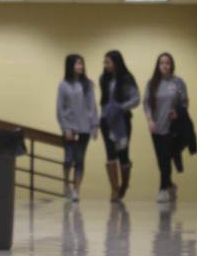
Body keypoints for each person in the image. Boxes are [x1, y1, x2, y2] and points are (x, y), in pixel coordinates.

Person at [143, 53, 189, 202]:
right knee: (161, 160)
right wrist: (150, 121)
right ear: (158, 65)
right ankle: (170, 185)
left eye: (167, 63)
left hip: (172, 127)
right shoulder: (152, 83)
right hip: (156, 126)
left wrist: (178, 113)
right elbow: (146, 103)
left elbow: (184, 102)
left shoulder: (178, 83)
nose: (164, 65)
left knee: (165, 157)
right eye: (162, 63)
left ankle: (162, 189)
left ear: (171, 65)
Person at [56, 55, 99, 201]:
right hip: (69, 127)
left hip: (85, 127)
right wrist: (65, 129)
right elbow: (60, 109)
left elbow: (92, 105)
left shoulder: (88, 84)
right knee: (68, 158)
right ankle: (66, 181)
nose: (80, 66)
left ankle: (76, 190)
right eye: (77, 63)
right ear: (71, 66)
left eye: (82, 63)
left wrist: (94, 125)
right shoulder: (63, 85)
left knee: (80, 158)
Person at [99, 50, 140, 200]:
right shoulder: (103, 79)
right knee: (110, 153)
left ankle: (124, 184)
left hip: (122, 119)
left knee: (123, 154)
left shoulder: (127, 78)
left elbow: (136, 99)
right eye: (105, 62)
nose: (106, 65)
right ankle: (114, 190)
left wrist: (120, 107)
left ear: (116, 63)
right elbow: (103, 102)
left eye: (108, 62)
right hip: (106, 120)